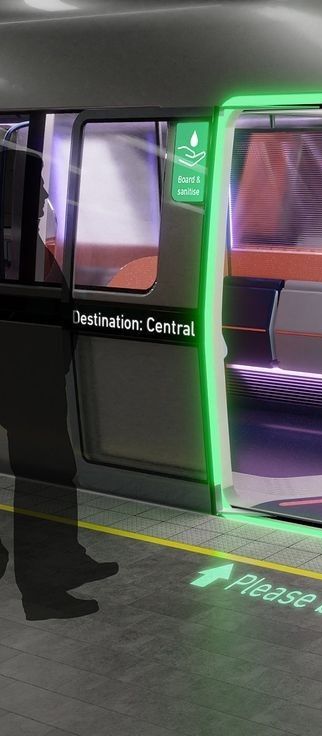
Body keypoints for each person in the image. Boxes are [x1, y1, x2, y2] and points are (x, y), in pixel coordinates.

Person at [0, 166, 117, 620]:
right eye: (37, 184)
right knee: (44, 475)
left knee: (51, 472)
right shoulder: (13, 247)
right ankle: (43, 590)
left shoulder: (22, 243)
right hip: (23, 376)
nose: (45, 194)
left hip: (33, 374)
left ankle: (65, 558)